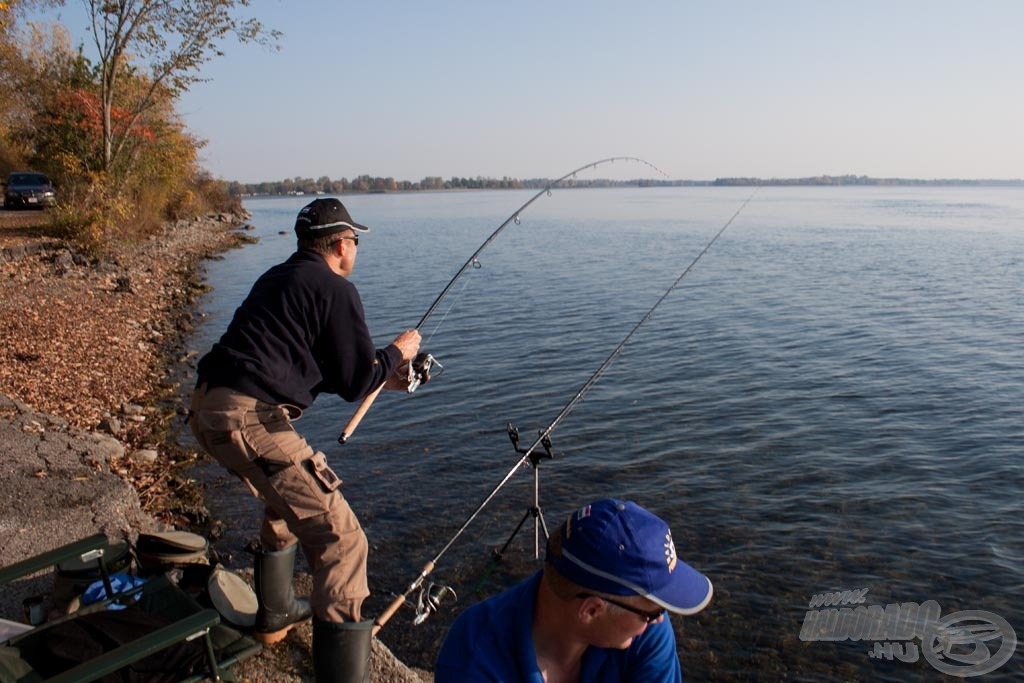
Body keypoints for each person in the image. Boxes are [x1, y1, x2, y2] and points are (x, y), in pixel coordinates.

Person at [188, 198, 421, 683]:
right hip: (247, 417)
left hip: (208, 409)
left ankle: (274, 617)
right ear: (340, 245)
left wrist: (389, 376)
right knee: (343, 538)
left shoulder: (279, 278)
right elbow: (357, 379)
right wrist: (398, 351)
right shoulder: (336, 288)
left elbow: (332, 371)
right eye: (354, 239)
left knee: (284, 500)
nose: (356, 247)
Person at [435, 498, 713, 682]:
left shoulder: (646, 633)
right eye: (652, 611)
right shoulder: (473, 658)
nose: (661, 618)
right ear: (591, 610)